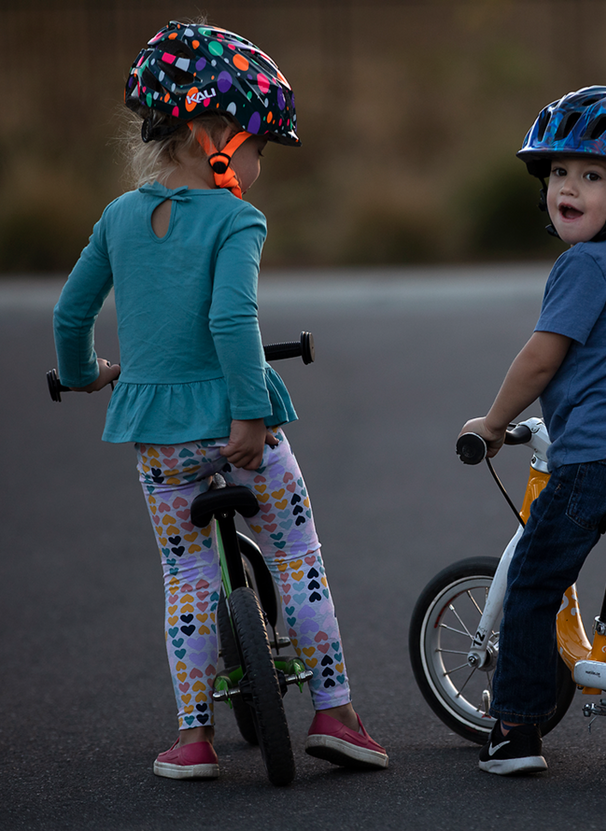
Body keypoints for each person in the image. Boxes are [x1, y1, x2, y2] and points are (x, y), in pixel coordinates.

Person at [53, 21, 387, 780]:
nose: (261, 162)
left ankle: (194, 737)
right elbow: (232, 319)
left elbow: (71, 316)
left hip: (158, 438)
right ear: (216, 136)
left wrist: (82, 373)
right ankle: (334, 711)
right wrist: (247, 413)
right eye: (260, 145)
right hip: (240, 425)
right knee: (296, 550)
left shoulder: (116, 219)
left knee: (188, 575)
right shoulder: (238, 217)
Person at [459, 86, 606, 775]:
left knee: (536, 578)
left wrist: (495, 422)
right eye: (560, 172)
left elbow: (542, 355)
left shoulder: (581, 265)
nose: (568, 186)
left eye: (592, 175)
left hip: (598, 460)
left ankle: (514, 729)